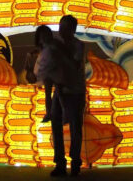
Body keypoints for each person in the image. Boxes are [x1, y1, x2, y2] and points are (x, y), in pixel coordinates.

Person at [49, 14, 87, 177]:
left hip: (74, 92)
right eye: (60, 27)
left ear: (72, 30)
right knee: (55, 124)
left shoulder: (78, 46)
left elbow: (75, 65)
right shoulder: (56, 46)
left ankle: (75, 162)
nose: (60, 31)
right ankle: (60, 163)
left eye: (64, 27)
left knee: (75, 127)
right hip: (59, 90)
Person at [30, 24, 59, 122]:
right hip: (47, 69)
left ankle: (51, 112)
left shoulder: (51, 46)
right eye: (42, 36)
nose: (44, 38)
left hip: (51, 68)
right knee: (48, 93)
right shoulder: (45, 48)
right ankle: (50, 112)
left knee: (53, 92)